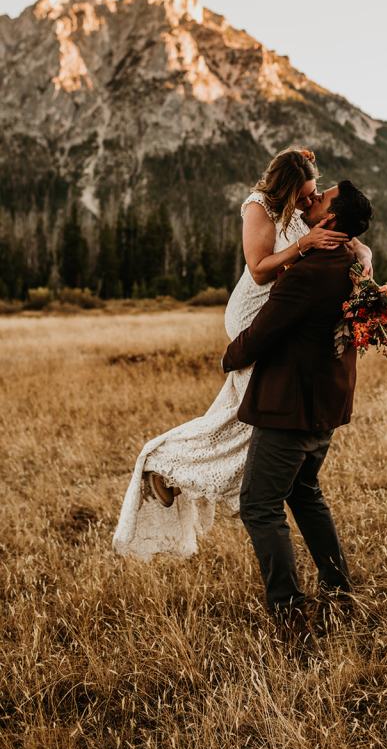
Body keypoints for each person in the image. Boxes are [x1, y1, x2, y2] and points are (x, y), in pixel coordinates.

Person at [112, 148, 372, 560]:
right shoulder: (262, 209)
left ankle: (178, 472)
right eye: (304, 196)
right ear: (286, 191)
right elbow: (258, 269)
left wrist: (364, 253)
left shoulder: (312, 222)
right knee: (251, 419)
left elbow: (347, 233)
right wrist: (304, 243)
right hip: (255, 310)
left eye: (315, 194)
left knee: (245, 422)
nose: (309, 201)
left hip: (279, 314)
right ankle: (171, 467)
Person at [222, 180, 373, 629]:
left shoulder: (312, 272)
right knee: (304, 492)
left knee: (259, 505)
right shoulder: (349, 261)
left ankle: (289, 612)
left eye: (320, 198)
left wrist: (228, 357)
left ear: (329, 220)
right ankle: (338, 587)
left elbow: (264, 330)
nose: (311, 199)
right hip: (324, 406)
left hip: (290, 409)